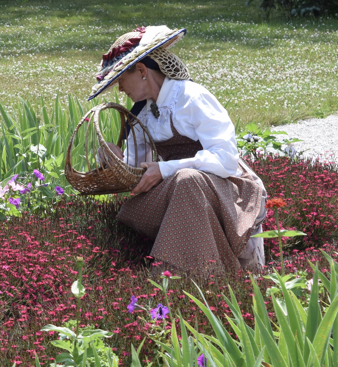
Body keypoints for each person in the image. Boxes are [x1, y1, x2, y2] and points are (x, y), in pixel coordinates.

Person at [88, 26, 267, 275]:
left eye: (120, 80)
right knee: (182, 186)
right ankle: (208, 276)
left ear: (141, 71)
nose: (120, 89)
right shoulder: (142, 113)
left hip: (229, 188)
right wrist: (114, 160)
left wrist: (166, 168)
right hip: (186, 194)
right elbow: (139, 171)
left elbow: (225, 160)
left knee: (187, 181)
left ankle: (175, 278)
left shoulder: (192, 99)